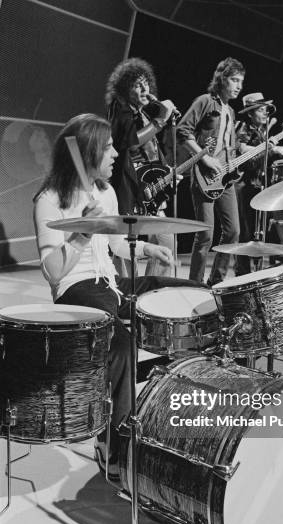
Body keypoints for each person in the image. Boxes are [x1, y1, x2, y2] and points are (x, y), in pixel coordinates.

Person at [33, 113, 199, 478]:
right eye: (107, 147)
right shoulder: (49, 199)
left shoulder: (105, 192)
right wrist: (82, 232)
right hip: (76, 290)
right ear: (88, 151)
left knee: (188, 296)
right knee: (121, 347)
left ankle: (174, 421)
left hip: (109, 282)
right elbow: (53, 271)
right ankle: (117, 448)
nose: (114, 154)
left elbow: (115, 244)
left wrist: (146, 251)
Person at [105, 57, 176, 276]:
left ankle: (152, 290)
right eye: (137, 84)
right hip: (129, 192)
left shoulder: (143, 113)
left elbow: (152, 150)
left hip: (149, 191)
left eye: (146, 83)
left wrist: (167, 173)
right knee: (127, 249)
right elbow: (131, 141)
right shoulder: (120, 109)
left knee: (166, 242)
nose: (145, 88)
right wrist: (161, 120)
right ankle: (128, 297)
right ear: (126, 89)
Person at [177, 57, 245, 286]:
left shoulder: (231, 111)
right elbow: (182, 131)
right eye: (234, 80)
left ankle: (216, 281)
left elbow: (229, 147)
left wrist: (238, 159)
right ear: (222, 79)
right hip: (204, 177)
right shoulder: (205, 101)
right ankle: (194, 284)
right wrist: (204, 157)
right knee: (205, 234)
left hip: (226, 179)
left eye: (241, 82)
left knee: (233, 231)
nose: (238, 86)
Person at [234, 93, 283, 276]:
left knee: (259, 230)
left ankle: (257, 270)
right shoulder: (243, 128)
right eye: (260, 109)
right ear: (250, 113)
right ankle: (242, 273)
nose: (265, 112)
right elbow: (242, 152)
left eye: (265, 109)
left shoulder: (261, 131)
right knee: (245, 233)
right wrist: (273, 148)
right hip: (243, 185)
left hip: (257, 185)